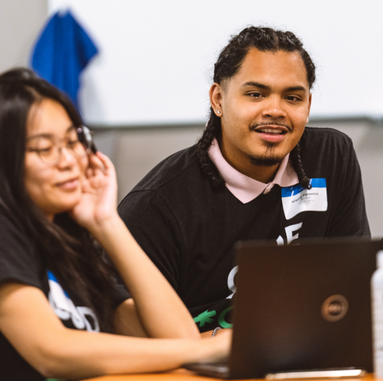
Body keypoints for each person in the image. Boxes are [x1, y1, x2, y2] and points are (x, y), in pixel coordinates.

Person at [0, 68, 228, 381]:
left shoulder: (68, 245)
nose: (68, 160)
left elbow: (177, 337)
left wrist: (106, 223)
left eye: (72, 141)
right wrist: (202, 350)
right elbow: (52, 352)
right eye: (44, 148)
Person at [118, 26, 370, 336]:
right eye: (256, 94)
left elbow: (356, 285)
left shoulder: (332, 157)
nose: (275, 110)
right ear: (218, 99)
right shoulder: (157, 205)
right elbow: (127, 331)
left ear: (308, 105)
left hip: (309, 354)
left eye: (292, 97)